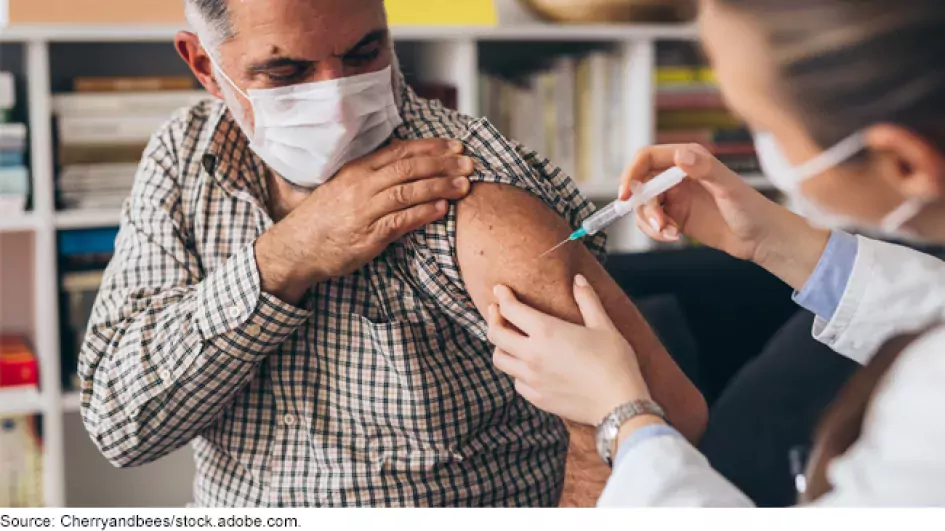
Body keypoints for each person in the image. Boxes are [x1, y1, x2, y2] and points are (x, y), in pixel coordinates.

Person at [77, 0, 706, 507]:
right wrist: (283, 258)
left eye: (363, 53)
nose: (340, 103)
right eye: (287, 73)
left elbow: (658, 419)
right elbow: (120, 424)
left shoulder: (471, 191)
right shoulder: (187, 154)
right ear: (205, 65)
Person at [487, 0, 945, 506]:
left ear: (903, 162)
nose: (758, 147)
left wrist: (620, 413)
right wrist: (772, 239)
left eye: (762, 126)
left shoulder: (928, 411)